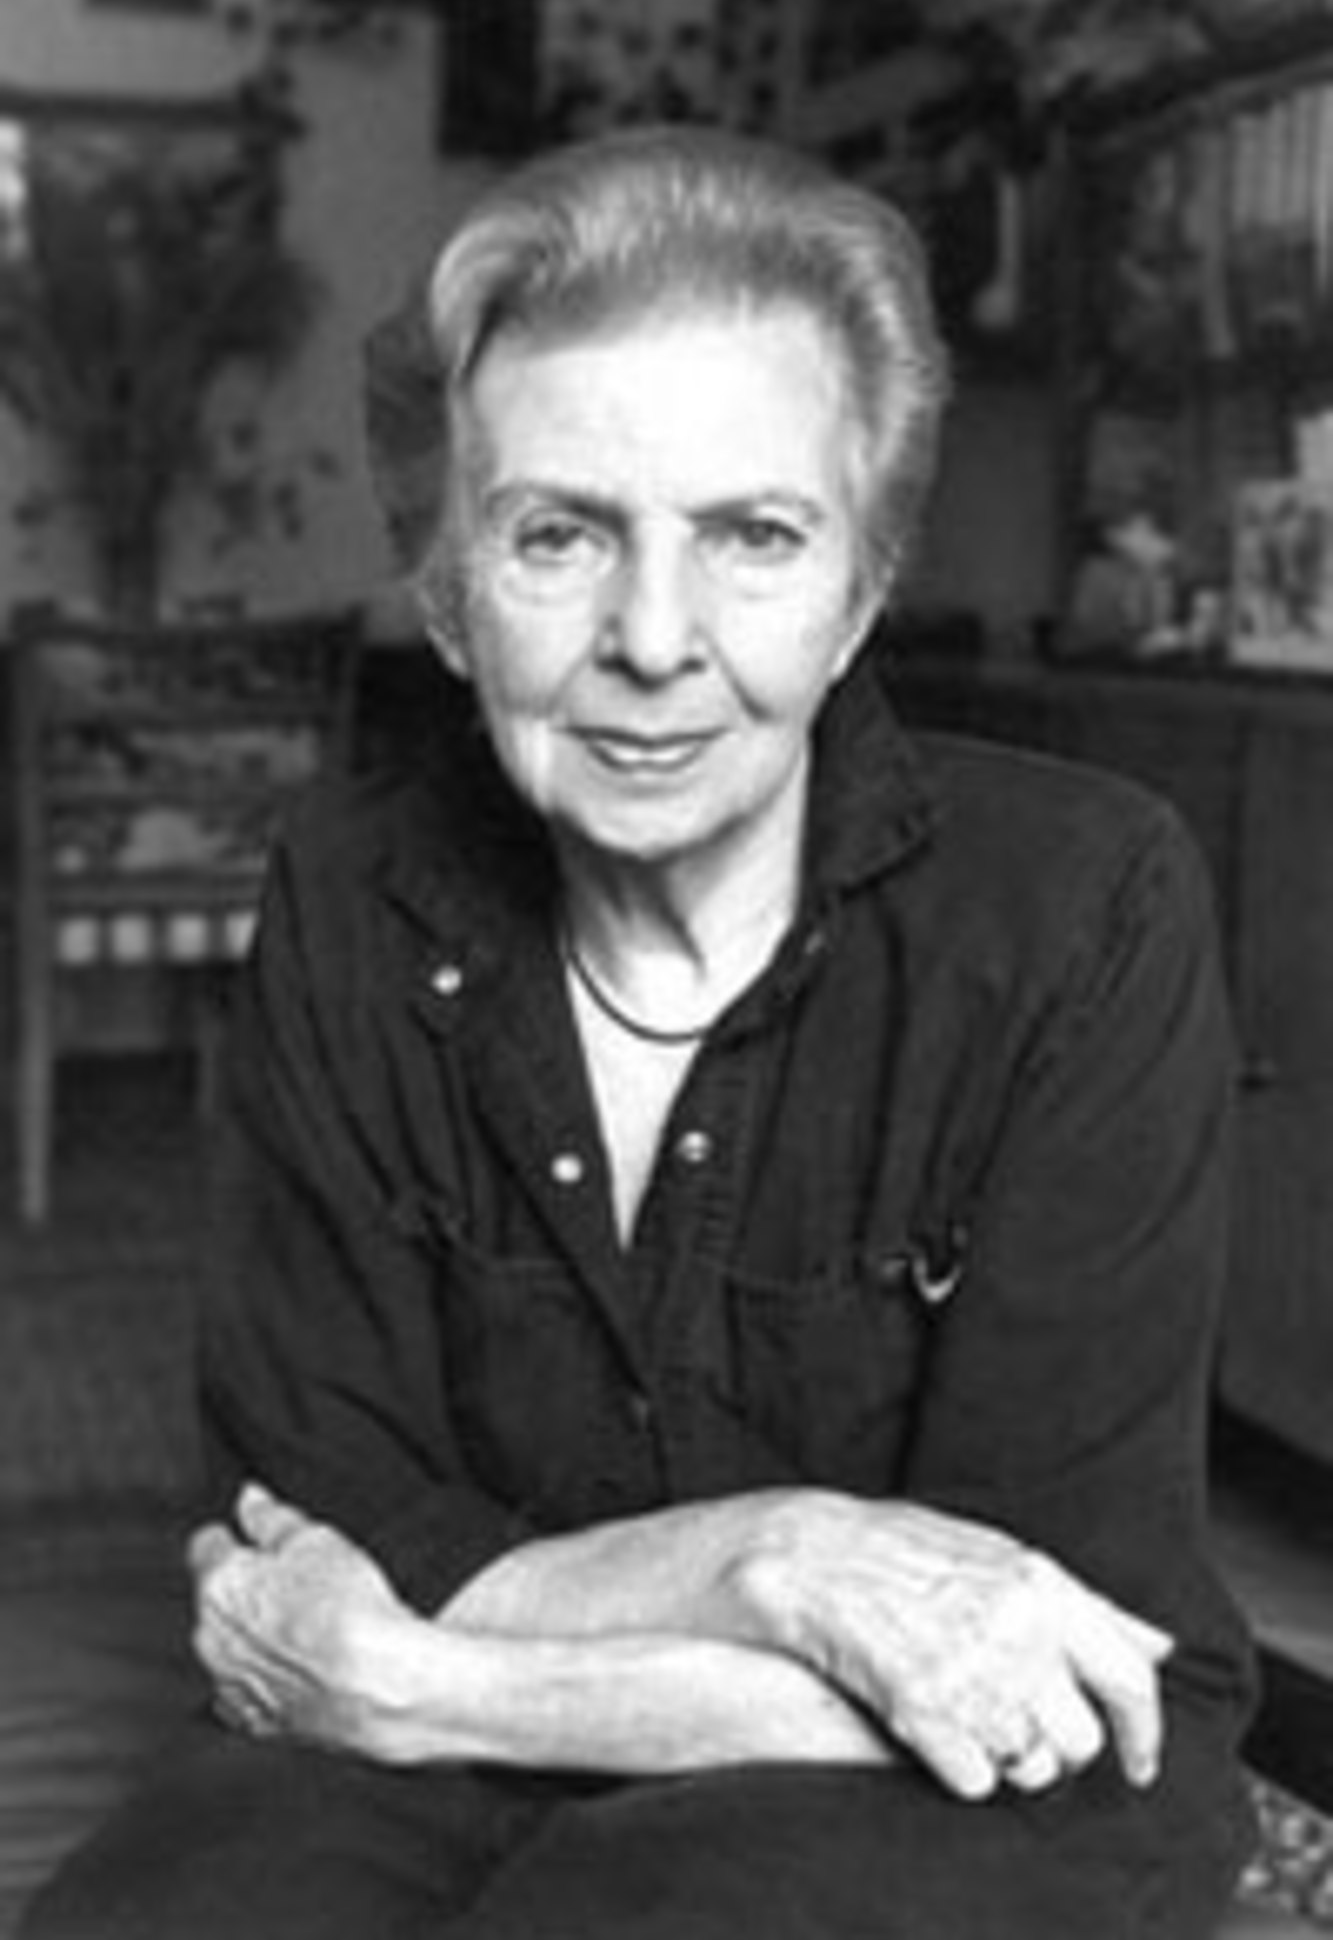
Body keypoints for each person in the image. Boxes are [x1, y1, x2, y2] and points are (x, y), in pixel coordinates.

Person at [23, 123, 1256, 1940]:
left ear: (860, 590)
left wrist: (428, 1683)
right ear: (449, 596)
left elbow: (1035, 1673)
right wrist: (777, 1559)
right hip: (412, 1763)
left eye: (753, 536)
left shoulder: (1078, 910)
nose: (654, 640)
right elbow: (318, 1522)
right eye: (557, 537)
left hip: (979, 1793)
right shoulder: (352, 894)